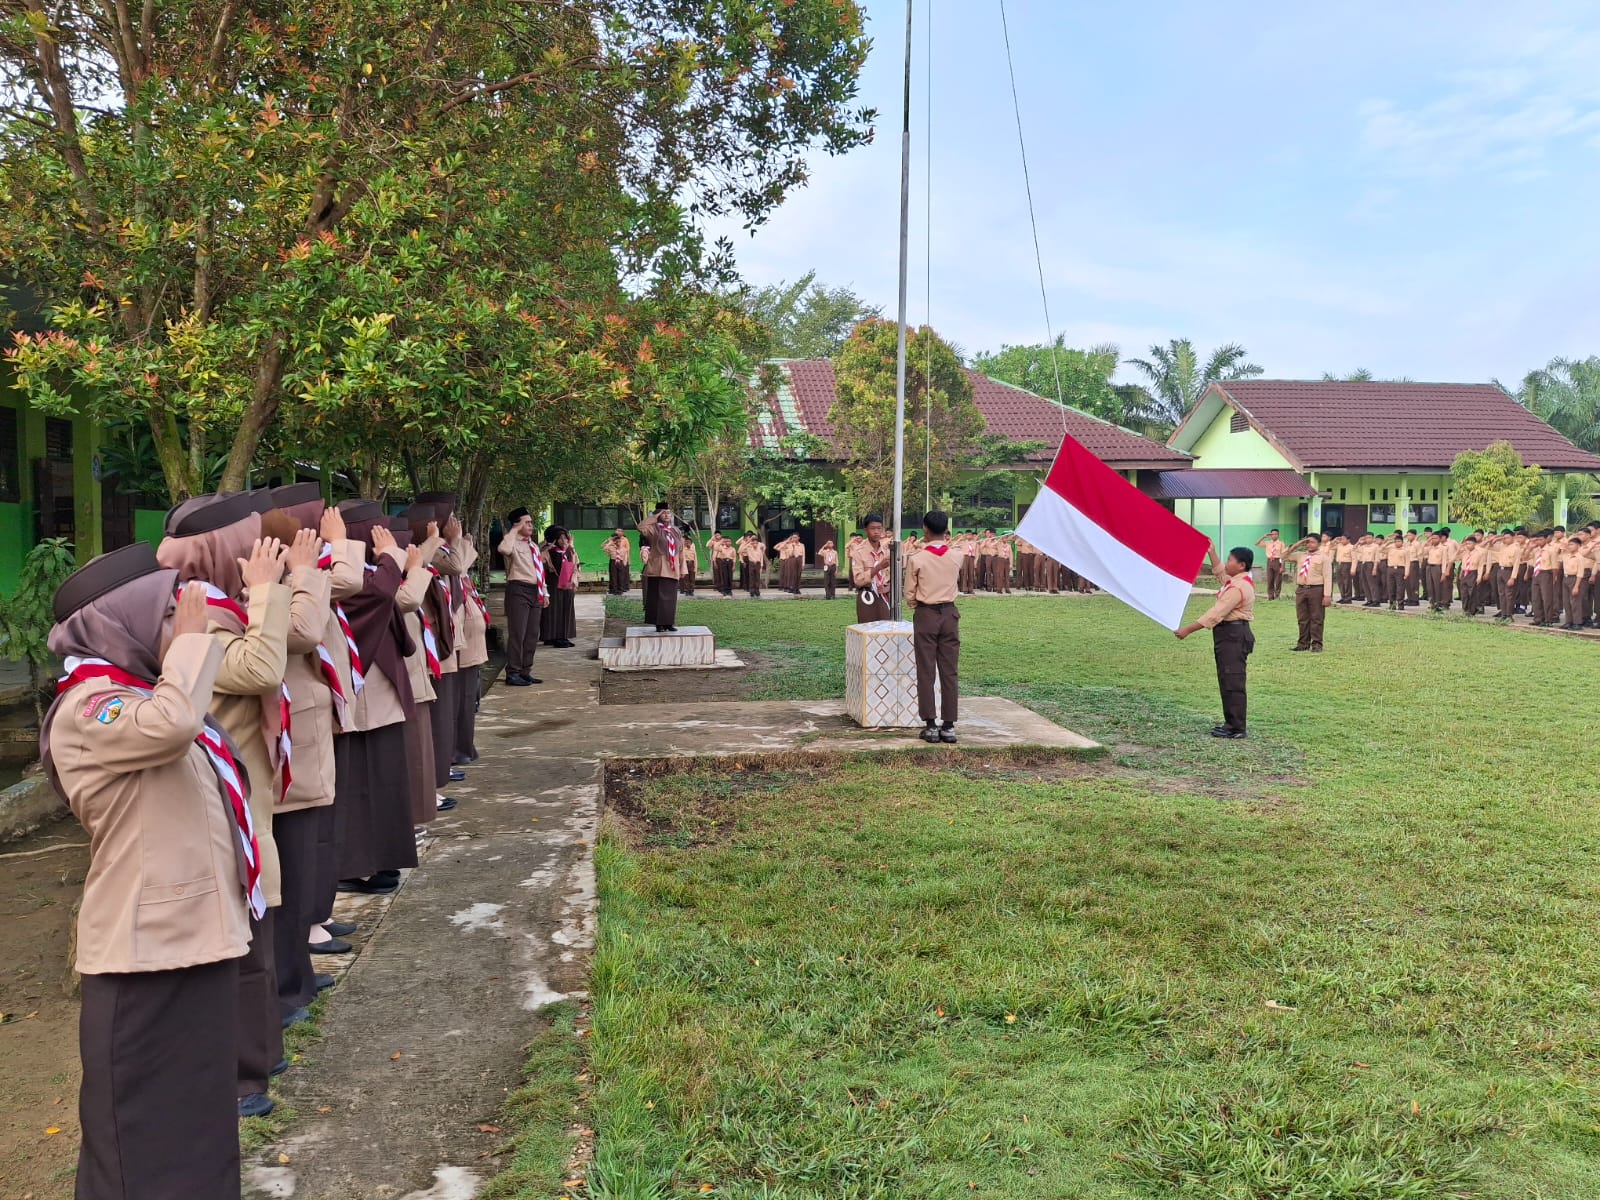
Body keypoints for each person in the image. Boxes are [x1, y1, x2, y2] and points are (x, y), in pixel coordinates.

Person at [42, 545, 251, 1200]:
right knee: (140, 1133)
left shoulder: (147, 695)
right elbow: (171, 725)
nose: (182, 627)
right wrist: (189, 647)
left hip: (197, 937)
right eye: (166, 615)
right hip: (141, 956)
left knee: (199, 1116)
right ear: (121, 623)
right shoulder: (90, 707)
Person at [156, 493, 293, 1119]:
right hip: (218, 798)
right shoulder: (196, 613)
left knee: (253, 935)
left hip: (240, 789)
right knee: (235, 938)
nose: (258, 553)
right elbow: (261, 669)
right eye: (248, 543)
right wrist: (268, 592)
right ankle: (238, 1073)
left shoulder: (217, 603)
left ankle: (257, 1054)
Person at [1174, 544, 1256, 739]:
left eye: (1230, 560)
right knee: (1227, 677)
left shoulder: (1238, 587)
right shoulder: (1236, 580)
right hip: (1229, 634)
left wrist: (1188, 630)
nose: (1227, 563)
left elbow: (1215, 613)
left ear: (1242, 565)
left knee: (1232, 679)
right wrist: (1211, 552)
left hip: (1233, 635)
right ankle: (1231, 723)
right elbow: (1221, 574)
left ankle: (1237, 727)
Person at [904, 511, 962, 744]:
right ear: (946, 530)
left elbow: (909, 592)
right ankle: (948, 725)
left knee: (926, 669)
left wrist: (916, 604)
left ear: (925, 530)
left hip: (926, 613)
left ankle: (930, 725)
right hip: (949, 614)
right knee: (950, 670)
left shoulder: (917, 558)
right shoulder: (957, 555)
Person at [498, 507, 548, 685]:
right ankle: (513, 673)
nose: (531, 526)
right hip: (518, 590)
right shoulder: (511, 542)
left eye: (531, 522)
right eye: (527, 523)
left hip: (536, 591)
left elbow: (539, 571)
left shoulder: (533, 545)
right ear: (517, 524)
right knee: (518, 633)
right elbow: (503, 549)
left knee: (532, 634)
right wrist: (513, 530)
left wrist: (545, 592)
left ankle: (525, 671)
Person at [638, 502, 683, 632]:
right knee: (657, 598)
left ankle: (668, 623)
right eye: (664, 513)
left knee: (670, 598)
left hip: (672, 569)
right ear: (658, 514)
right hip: (657, 569)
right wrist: (654, 516)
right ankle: (659, 624)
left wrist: (682, 568)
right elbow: (640, 526)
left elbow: (681, 551)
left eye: (668, 513)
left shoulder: (675, 530)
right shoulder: (653, 529)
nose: (667, 515)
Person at [1286, 533, 1334, 651]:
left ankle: (1317, 644)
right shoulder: (1300, 555)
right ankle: (1303, 644)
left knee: (1317, 617)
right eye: (1307, 542)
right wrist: (1298, 544)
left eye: (1312, 542)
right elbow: (1283, 555)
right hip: (1301, 589)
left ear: (1319, 543)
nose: (1309, 544)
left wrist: (1327, 595)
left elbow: (1328, 577)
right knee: (1302, 618)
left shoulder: (1324, 558)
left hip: (1316, 589)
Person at [849, 515, 893, 622]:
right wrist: (878, 567)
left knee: (886, 627)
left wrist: (889, 587)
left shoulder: (887, 552)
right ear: (866, 530)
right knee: (867, 627)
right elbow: (858, 580)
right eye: (872, 528)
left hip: (884, 595)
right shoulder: (858, 552)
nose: (876, 532)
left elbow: (892, 576)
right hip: (867, 595)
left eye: (879, 528)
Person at [542, 525, 578, 647]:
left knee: (565, 610)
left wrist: (570, 548)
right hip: (553, 585)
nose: (563, 541)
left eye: (565, 538)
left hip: (567, 586)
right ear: (554, 540)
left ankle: (563, 636)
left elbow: (575, 565)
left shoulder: (569, 551)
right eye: (560, 538)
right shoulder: (550, 551)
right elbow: (544, 564)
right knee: (553, 611)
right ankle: (552, 637)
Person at [1256, 530, 1287, 600]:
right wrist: (1264, 537)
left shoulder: (1281, 543)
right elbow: (1256, 543)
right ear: (1270, 535)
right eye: (1272, 534)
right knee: (1270, 580)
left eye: (1276, 534)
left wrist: (1282, 566)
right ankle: (1270, 596)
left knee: (1278, 580)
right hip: (1269, 561)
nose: (1274, 535)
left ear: (1278, 535)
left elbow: (1283, 555)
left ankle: (1277, 596)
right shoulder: (1268, 543)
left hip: (1278, 561)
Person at [602, 529, 632, 596]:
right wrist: (609, 541)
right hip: (613, 561)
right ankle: (614, 589)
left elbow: (626, 553)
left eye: (619, 541)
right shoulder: (611, 547)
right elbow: (603, 548)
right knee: (614, 576)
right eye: (616, 541)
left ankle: (620, 589)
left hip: (620, 562)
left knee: (620, 576)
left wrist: (626, 561)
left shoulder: (623, 548)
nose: (618, 542)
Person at [741, 531, 767, 598]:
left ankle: (757, 591)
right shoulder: (749, 548)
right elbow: (741, 550)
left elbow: (761, 558)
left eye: (756, 543)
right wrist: (749, 542)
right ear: (752, 543)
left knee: (757, 578)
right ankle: (752, 592)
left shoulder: (759, 549)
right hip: (751, 564)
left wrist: (761, 566)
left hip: (758, 564)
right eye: (754, 543)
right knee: (752, 578)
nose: (755, 544)